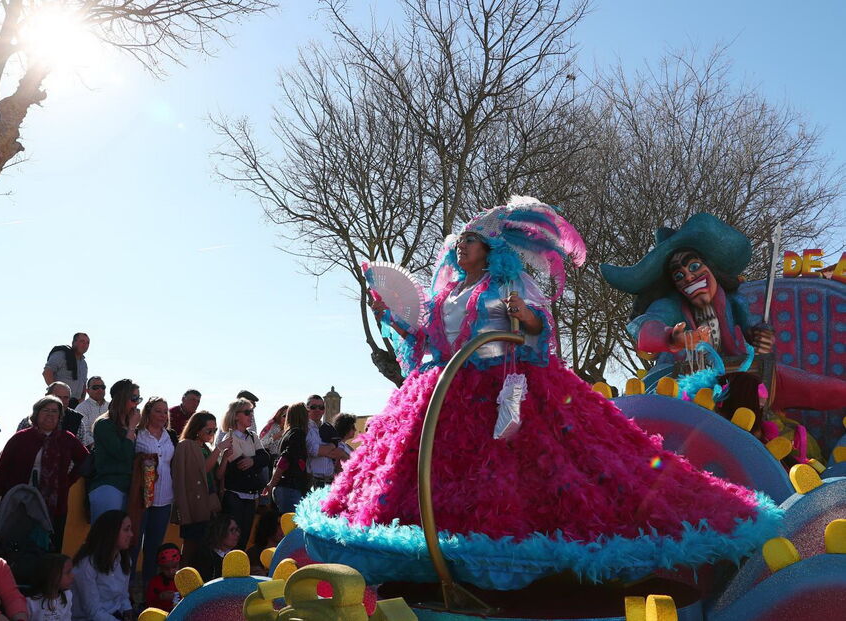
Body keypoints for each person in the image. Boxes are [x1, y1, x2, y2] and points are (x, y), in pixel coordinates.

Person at [317, 197, 780, 586]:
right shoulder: (447, 295)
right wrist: (391, 313)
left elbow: (540, 330)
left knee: (528, 480)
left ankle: (514, 567)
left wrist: (525, 317)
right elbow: (427, 341)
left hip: (503, 391)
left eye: (470, 241)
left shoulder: (508, 285)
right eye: (458, 242)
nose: (461, 248)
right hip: (442, 402)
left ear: (490, 248)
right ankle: (430, 565)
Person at [600, 213, 846, 451]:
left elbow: (751, 339)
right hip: (695, 387)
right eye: (679, 275)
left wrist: (760, 337)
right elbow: (645, 328)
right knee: (742, 390)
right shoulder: (671, 305)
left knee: (821, 390)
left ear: (711, 266)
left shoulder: (734, 302)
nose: (688, 277)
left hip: (745, 375)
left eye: (694, 266)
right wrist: (674, 338)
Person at [0, 396, 89, 552]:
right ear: (36, 414)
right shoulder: (20, 438)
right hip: (20, 505)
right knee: (16, 550)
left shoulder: (66, 439)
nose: (50, 415)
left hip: (55, 507)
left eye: (55, 411)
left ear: (60, 416)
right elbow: (1, 471)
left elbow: (86, 461)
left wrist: (67, 481)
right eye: (46, 410)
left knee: (51, 551)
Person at [129, 397, 177, 592]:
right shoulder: (138, 434)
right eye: (158, 410)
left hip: (164, 498)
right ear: (148, 412)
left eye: (165, 411)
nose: (163, 415)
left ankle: (150, 589)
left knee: (153, 547)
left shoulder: (171, 436)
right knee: (133, 544)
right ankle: (128, 587)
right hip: (140, 498)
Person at [171, 412, 230, 569]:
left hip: (208, 503)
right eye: (208, 430)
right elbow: (200, 470)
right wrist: (218, 449)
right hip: (193, 505)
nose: (212, 434)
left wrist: (224, 457)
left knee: (204, 547)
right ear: (197, 429)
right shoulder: (186, 445)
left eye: (214, 430)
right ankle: (183, 581)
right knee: (191, 546)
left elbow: (217, 474)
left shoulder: (205, 447)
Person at [215, 398, 269, 550]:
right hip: (234, 496)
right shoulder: (230, 438)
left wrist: (252, 461)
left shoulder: (253, 436)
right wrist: (255, 461)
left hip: (250, 496)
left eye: (251, 412)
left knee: (243, 538)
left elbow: (265, 458)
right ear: (236, 415)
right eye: (247, 412)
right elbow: (241, 465)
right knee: (230, 540)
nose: (251, 415)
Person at [89, 380, 141, 522]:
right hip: (109, 487)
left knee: (121, 541)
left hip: (128, 488)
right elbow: (122, 454)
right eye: (134, 398)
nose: (136, 404)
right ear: (122, 398)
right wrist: (131, 428)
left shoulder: (131, 426)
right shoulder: (104, 424)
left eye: (139, 399)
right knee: (105, 538)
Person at [71, 510, 134, 621]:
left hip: (114, 615)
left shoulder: (125, 560)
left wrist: (127, 609)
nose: (131, 534)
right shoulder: (86, 565)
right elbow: (93, 611)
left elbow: (123, 596)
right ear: (111, 533)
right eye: (126, 530)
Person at [261, 403, 309, 515]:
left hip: (284, 488)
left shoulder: (288, 433)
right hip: (290, 488)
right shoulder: (297, 434)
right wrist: (271, 483)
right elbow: (284, 460)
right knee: (290, 528)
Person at [17, 383, 84, 440]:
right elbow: (17, 445)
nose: (62, 401)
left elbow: (80, 452)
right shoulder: (29, 421)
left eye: (66, 397)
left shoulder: (77, 421)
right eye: (58, 397)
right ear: (47, 396)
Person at [305, 394, 344, 489]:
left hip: (330, 482)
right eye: (314, 407)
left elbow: (340, 452)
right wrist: (333, 445)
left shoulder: (328, 428)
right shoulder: (305, 428)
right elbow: (315, 451)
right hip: (312, 482)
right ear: (307, 409)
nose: (318, 410)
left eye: (321, 407)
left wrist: (324, 450)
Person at [43, 334, 89, 408]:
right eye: (82, 341)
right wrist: (55, 393)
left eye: (87, 343)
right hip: (58, 402)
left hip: (75, 405)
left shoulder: (84, 364)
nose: (85, 345)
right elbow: (47, 373)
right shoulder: (61, 355)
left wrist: (82, 399)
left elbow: (83, 384)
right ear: (73, 342)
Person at [25, 553, 74, 621]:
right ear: (53, 576)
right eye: (68, 572)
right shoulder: (30, 602)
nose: (72, 576)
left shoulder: (68, 596)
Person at [192, 513, 240, 583]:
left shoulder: (237, 556)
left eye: (237, 529)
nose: (237, 534)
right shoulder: (203, 556)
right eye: (232, 530)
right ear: (220, 531)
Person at [245, 509, 283, 576]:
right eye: (278, 525)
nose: (282, 528)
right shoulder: (253, 553)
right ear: (268, 526)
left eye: (284, 525)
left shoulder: (288, 552)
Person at [144, 544, 181, 613]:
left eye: (174, 567)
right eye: (166, 568)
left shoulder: (184, 580)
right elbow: (149, 604)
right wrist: (160, 597)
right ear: (160, 567)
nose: (171, 571)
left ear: (180, 564)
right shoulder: (155, 583)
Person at [73, 377, 109, 448]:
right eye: (95, 387)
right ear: (87, 391)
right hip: (91, 451)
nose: (100, 390)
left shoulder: (110, 407)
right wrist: (98, 447)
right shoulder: (81, 408)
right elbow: (84, 433)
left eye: (102, 387)